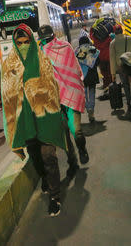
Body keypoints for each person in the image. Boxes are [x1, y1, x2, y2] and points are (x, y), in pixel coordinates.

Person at [2, 23, 65, 216]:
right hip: (26, 122)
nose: (23, 45)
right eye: (19, 42)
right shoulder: (9, 65)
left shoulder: (42, 60)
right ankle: (45, 179)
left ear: (31, 40)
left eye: (26, 41)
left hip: (44, 117)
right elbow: (7, 96)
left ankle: (55, 197)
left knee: (49, 156)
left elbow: (52, 88)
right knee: (36, 158)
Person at [38, 25, 89, 167]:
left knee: (76, 130)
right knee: (64, 134)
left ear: (53, 36)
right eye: (44, 40)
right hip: (55, 98)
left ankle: (82, 149)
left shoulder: (64, 47)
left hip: (70, 92)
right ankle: (72, 161)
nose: (46, 43)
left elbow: (74, 68)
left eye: (47, 39)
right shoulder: (41, 54)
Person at [109, 25, 131, 113]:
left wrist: (113, 73)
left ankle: (129, 104)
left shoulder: (113, 43)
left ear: (114, 32)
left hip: (121, 67)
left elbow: (112, 58)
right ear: (122, 30)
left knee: (126, 85)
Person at [75, 36, 100, 122]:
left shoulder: (77, 51)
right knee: (92, 92)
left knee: (84, 94)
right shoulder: (93, 49)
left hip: (82, 76)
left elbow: (74, 64)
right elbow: (98, 62)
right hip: (92, 75)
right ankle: (91, 110)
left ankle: (87, 107)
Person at [90, 25, 112, 94]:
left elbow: (91, 36)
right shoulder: (108, 39)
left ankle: (106, 86)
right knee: (110, 73)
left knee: (104, 74)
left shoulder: (96, 41)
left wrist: (92, 29)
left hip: (101, 59)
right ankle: (111, 86)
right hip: (109, 58)